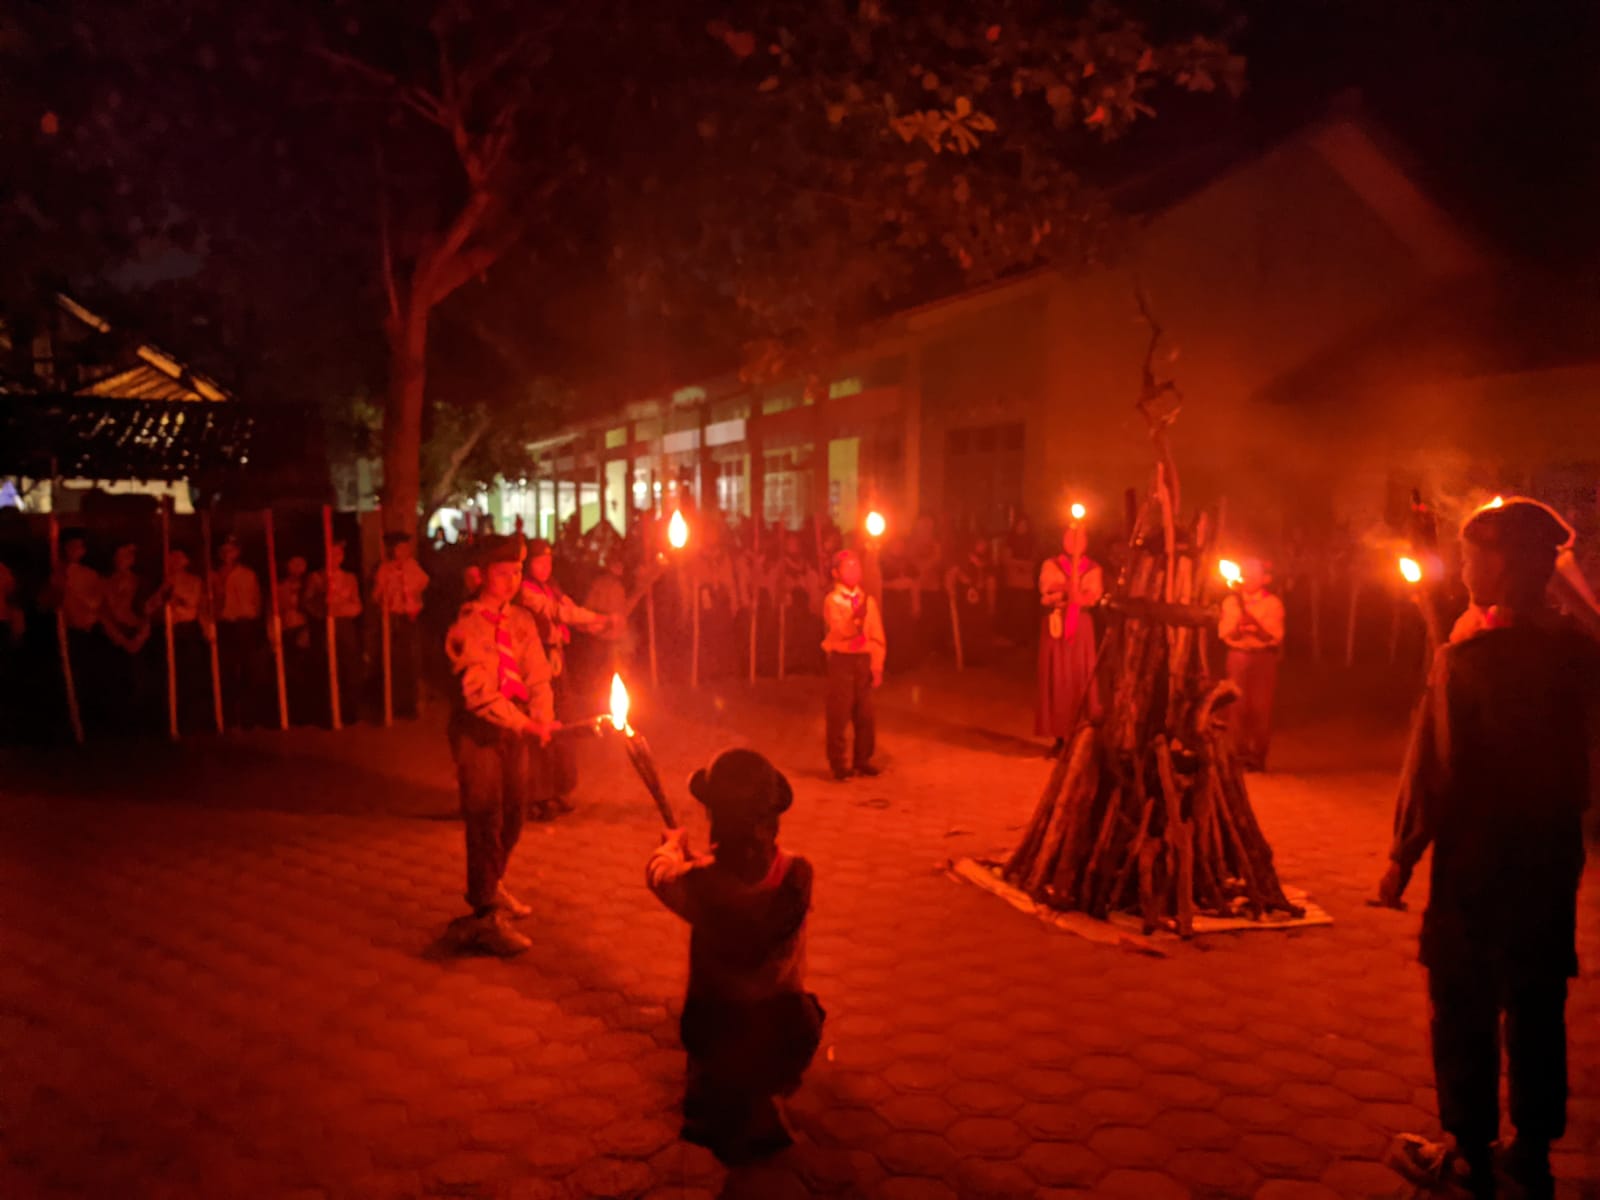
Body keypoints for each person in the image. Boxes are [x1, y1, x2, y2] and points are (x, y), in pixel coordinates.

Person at [1377, 498, 1597, 1200]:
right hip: (1552, 857)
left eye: (1478, 554)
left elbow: (1433, 769)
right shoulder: (1580, 654)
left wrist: (1401, 856)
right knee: (1536, 1001)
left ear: (1511, 566)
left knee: (1464, 1000)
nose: (1466, 566)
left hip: (1477, 862)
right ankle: (1532, 1153)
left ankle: (1468, 1152)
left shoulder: (1468, 659)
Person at [646, 748, 825, 1164]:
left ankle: (722, 1103)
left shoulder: (700, 887)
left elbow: (660, 875)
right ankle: (764, 1095)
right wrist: (702, 864)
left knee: (714, 1059)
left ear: (716, 819)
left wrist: (672, 849)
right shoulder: (799, 875)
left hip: (717, 1027)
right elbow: (746, 884)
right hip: (784, 1025)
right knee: (795, 1021)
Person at [444, 534, 555, 957]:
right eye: (502, 573)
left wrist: (542, 716)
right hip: (480, 731)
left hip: (518, 729)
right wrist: (523, 723)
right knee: (485, 816)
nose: (511, 582)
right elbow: (477, 693)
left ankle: (495, 881)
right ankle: (483, 912)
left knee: (514, 815)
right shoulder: (468, 625)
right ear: (481, 576)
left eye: (516, 573)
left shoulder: (522, 622)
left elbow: (537, 675)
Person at [518, 537, 613, 816]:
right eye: (539, 562)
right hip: (535, 664)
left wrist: (601, 623)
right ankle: (537, 794)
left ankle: (558, 788)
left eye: (549, 561)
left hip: (557, 662)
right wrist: (599, 618)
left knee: (564, 722)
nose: (545, 567)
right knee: (541, 722)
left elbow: (572, 611)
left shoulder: (553, 589)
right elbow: (559, 613)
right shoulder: (525, 592)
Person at [1035, 522, 1104, 757]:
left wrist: (1071, 591)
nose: (1074, 541)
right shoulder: (1051, 565)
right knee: (1057, 677)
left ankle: (1080, 735)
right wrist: (1068, 589)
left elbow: (1089, 596)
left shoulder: (1093, 568)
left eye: (1080, 537)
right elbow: (1048, 590)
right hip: (1057, 625)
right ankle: (1059, 737)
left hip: (1080, 627)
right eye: (1070, 536)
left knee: (1079, 676)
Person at [821, 549, 886, 781]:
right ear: (835, 572)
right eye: (848, 566)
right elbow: (841, 631)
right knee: (839, 714)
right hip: (843, 661)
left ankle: (863, 759)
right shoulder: (833, 601)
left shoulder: (867, 600)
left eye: (856, 566)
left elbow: (876, 636)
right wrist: (855, 619)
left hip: (862, 662)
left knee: (865, 714)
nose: (854, 570)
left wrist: (876, 666)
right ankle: (839, 763)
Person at [1217, 557, 1285, 771]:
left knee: (1260, 708)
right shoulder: (1230, 602)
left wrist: (1255, 625)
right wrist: (1239, 627)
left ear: (1264, 579)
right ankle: (1237, 755)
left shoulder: (1272, 603)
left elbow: (1274, 637)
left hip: (1262, 659)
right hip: (1237, 656)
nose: (1248, 579)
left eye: (1253, 575)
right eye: (1246, 575)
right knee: (1235, 707)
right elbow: (1225, 634)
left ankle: (1257, 757)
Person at [371, 532, 430, 719]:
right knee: (393, 662)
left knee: (411, 662)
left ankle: (410, 705)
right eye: (398, 548)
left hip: (409, 619)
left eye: (405, 547)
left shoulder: (413, 567)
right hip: (392, 619)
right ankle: (392, 704)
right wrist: (385, 594)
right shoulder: (384, 569)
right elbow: (376, 594)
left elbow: (422, 584)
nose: (402, 551)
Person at [305, 541, 363, 726]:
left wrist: (341, 609)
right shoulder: (316, 578)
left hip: (344, 627)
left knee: (348, 669)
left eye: (338, 555)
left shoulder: (349, 578)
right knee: (326, 667)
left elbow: (357, 605)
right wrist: (323, 608)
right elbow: (307, 602)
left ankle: (349, 712)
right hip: (324, 627)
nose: (335, 559)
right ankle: (327, 713)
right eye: (331, 554)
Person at [211, 533, 263, 729]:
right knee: (227, 672)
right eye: (223, 550)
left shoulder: (248, 574)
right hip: (224, 626)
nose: (227, 554)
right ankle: (229, 717)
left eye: (231, 550)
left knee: (248, 671)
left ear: (238, 552)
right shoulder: (214, 576)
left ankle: (249, 717)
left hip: (244, 625)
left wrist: (254, 624)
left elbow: (257, 601)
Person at [101, 541, 154, 731]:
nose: (124, 560)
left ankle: (143, 722)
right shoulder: (105, 583)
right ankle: (120, 723)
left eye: (128, 556)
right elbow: (104, 613)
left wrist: (140, 636)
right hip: (116, 634)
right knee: (118, 679)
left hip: (137, 632)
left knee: (139, 679)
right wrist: (120, 637)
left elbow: (148, 611)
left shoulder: (140, 582)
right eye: (120, 556)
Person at [276, 555, 313, 723]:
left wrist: (306, 629)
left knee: (305, 671)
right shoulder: (279, 586)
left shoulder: (309, 584)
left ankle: (307, 711)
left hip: (304, 629)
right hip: (286, 631)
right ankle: (291, 712)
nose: (297, 568)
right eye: (293, 564)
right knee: (289, 671)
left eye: (301, 564)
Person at [999, 514, 1039, 646]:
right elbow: (1006, 560)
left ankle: (1025, 636)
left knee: (1025, 609)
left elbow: (1033, 562)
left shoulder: (1032, 542)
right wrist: (1021, 565)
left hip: (1027, 582)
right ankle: (1013, 636)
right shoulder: (1010, 541)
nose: (1022, 528)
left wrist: (1023, 566)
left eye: (1024, 525)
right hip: (1013, 581)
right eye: (1020, 525)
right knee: (1014, 608)